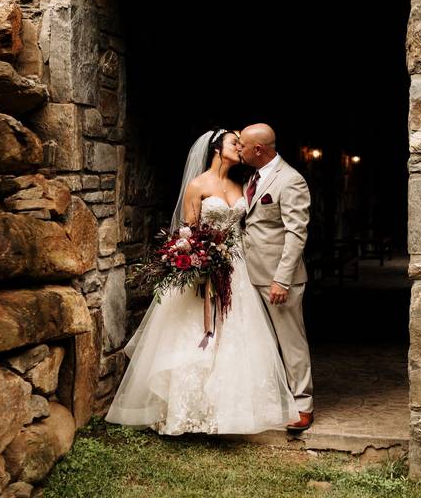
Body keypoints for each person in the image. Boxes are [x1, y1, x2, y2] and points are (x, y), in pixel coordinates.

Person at [105, 129, 298, 435]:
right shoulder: (198, 186)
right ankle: (189, 411)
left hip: (238, 269)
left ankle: (230, 410)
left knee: (237, 336)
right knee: (199, 335)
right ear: (217, 149)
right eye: (234, 142)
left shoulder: (242, 184)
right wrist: (199, 261)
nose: (240, 147)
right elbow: (187, 232)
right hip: (207, 268)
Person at [238, 123, 314, 431]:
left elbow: (296, 234)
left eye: (242, 145)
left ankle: (303, 404)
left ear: (258, 150)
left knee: (291, 342)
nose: (239, 150)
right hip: (247, 275)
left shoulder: (291, 181)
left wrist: (282, 279)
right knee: (261, 343)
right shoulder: (250, 179)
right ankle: (270, 401)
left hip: (277, 279)